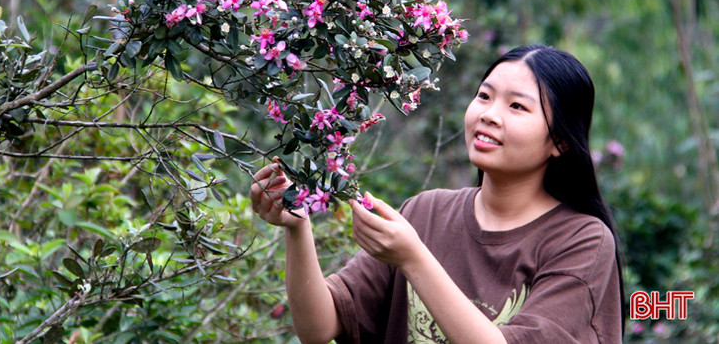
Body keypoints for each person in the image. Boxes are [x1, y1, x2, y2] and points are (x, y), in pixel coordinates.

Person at [250, 44, 625, 343]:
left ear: (558, 140)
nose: (489, 114)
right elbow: (318, 328)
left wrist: (413, 258)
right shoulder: (426, 212)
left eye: (516, 106)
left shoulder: (582, 240)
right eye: (484, 96)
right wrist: (296, 228)